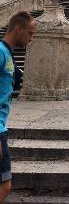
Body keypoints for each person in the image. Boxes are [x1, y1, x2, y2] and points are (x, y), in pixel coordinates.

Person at [0, 12, 36, 202]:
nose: (32, 38)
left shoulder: (7, 52)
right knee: (5, 186)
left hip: (1, 127)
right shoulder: (0, 52)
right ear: (17, 29)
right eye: (30, 34)